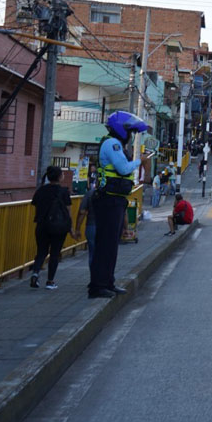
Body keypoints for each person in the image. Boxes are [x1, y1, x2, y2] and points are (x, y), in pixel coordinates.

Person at [91, 110, 149, 298]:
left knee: (111, 245)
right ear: (121, 130)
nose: (131, 136)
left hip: (115, 199)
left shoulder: (113, 143)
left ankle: (108, 282)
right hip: (109, 199)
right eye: (130, 132)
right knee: (106, 245)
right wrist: (141, 161)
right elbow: (123, 168)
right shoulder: (112, 144)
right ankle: (98, 286)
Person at [29, 165, 71, 290]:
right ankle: (50, 281)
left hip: (41, 225)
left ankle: (35, 273)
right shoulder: (64, 192)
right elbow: (68, 212)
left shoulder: (40, 190)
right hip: (58, 227)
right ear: (60, 177)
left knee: (41, 251)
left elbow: (35, 205)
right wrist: (71, 228)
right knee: (54, 254)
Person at [74, 181, 98, 278]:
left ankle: (93, 278)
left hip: (91, 226)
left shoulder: (90, 193)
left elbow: (82, 212)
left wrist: (77, 228)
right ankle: (103, 278)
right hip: (106, 228)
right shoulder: (110, 194)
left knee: (92, 252)